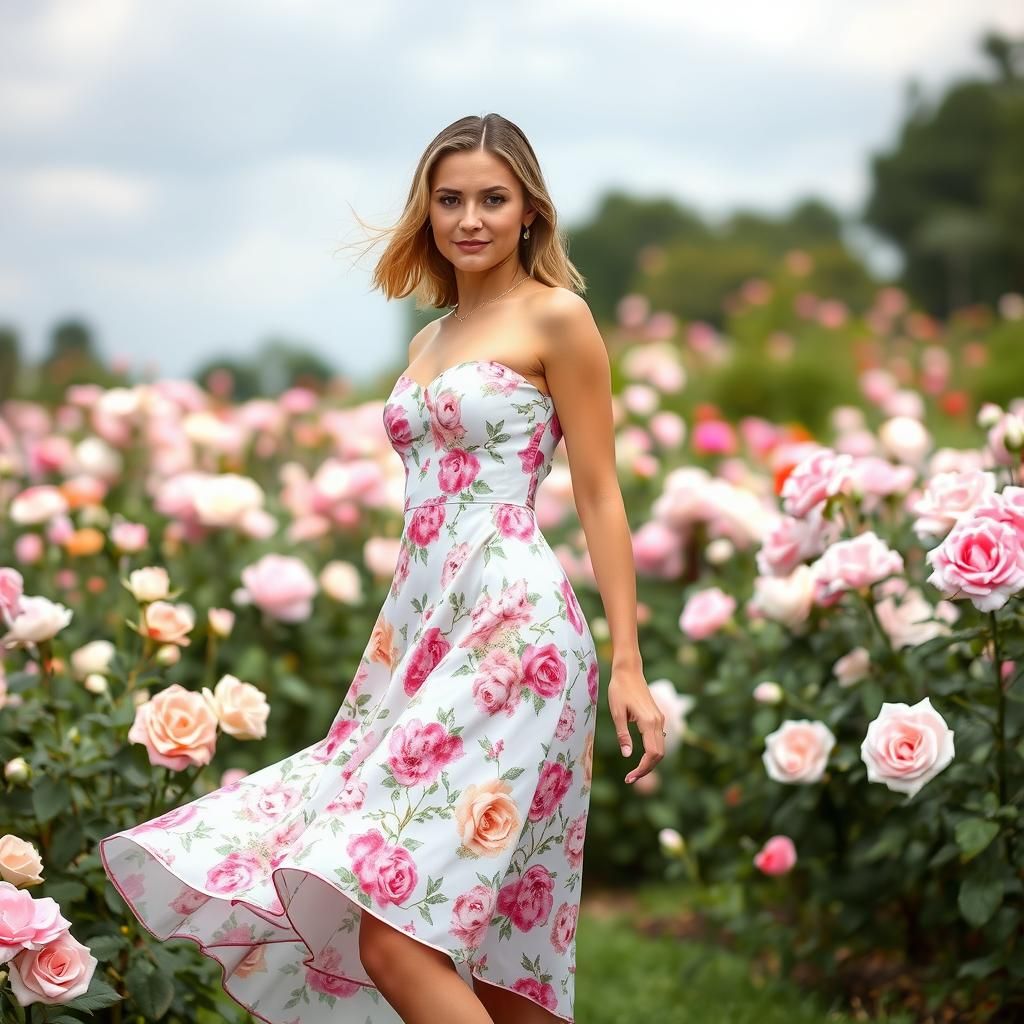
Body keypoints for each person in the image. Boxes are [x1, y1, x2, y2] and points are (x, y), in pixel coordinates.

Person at [99, 112, 666, 1024]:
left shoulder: (559, 317)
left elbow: (600, 494)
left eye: (492, 199)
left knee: (391, 931)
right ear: (427, 211)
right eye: (450, 200)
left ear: (529, 211)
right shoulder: (427, 342)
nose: (469, 218)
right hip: (428, 630)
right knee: (489, 953)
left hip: (517, 632)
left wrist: (629, 664)